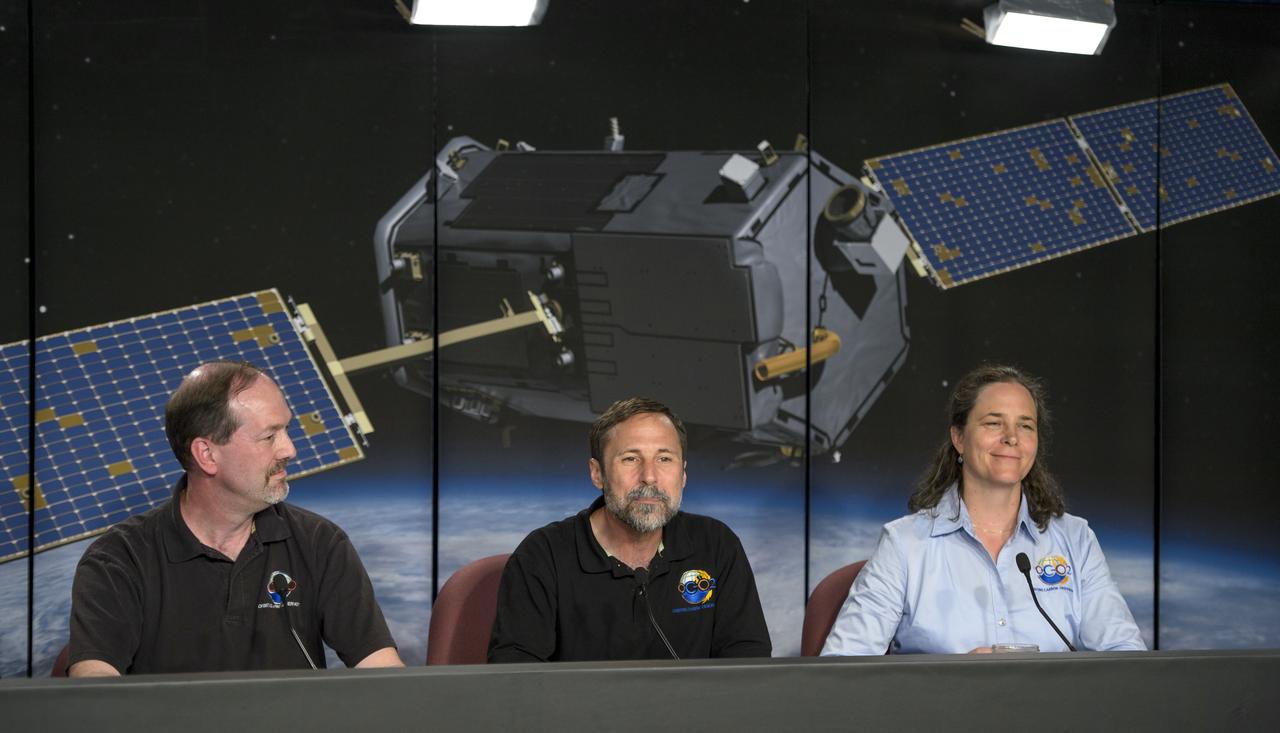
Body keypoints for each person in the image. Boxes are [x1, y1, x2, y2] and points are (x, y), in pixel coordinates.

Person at [68, 360, 404, 675]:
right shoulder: (118, 559)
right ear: (207, 454)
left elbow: (381, 669)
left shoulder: (320, 543)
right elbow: (94, 690)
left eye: (287, 430)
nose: (290, 449)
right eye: (270, 436)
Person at [822, 364, 1145, 655]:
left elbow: (1127, 656)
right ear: (959, 438)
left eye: (1025, 426)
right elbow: (845, 667)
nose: (1011, 438)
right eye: (994, 423)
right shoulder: (905, 545)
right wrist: (956, 679)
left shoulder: (1076, 540)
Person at [488, 397, 772, 662]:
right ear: (597, 473)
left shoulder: (717, 545)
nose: (649, 476)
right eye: (630, 459)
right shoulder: (542, 556)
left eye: (664, 459)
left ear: (683, 474)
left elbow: (749, 668)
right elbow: (517, 685)